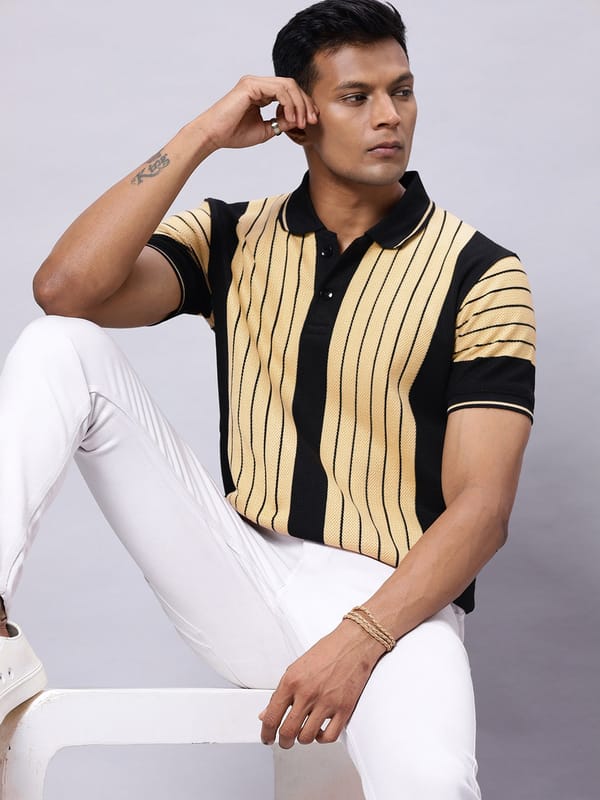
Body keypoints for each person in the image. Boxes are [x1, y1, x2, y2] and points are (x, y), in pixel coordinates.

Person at [0, 0, 535, 796]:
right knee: (60, 346)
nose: (390, 116)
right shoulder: (233, 236)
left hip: (396, 602)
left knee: (433, 781)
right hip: (241, 571)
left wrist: (359, 639)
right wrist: (204, 134)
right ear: (299, 116)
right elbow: (65, 289)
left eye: (402, 90)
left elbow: (483, 511)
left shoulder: (481, 274)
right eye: (357, 97)